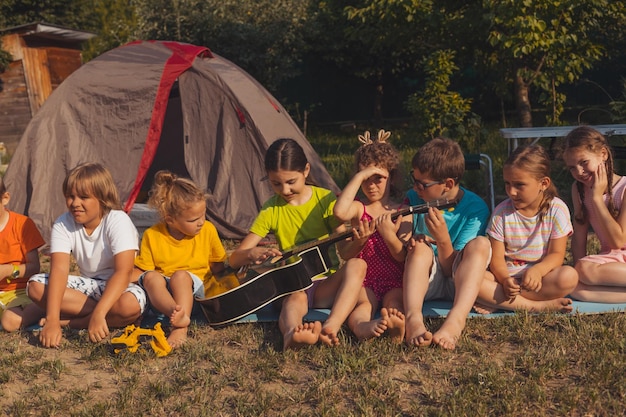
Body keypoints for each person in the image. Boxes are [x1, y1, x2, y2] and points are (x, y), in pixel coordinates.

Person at [229, 138, 367, 350]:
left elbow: (345, 252)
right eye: (276, 183)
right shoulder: (271, 209)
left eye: (291, 181)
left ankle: (331, 325)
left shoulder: (325, 199)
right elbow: (235, 258)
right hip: (294, 286)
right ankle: (292, 334)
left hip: (324, 285)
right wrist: (251, 253)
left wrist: (360, 241)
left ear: (306, 171)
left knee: (358, 265)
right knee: (294, 300)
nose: (284, 190)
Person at [27, 163, 147, 348]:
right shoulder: (63, 223)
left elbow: (124, 272)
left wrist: (99, 313)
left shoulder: (117, 220)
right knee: (35, 286)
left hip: (120, 287)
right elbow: (59, 269)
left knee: (131, 305)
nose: (75, 203)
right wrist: (52, 319)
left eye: (83, 197)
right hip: (89, 287)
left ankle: (74, 322)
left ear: (102, 198)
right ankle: (105, 318)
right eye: (70, 196)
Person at [403, 137, 491, 350]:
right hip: (423, 282)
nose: (415, 189)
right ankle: (413, 318)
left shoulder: (475, 209)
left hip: (459, 282)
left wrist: (443, 239)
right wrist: (408, 241)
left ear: (448, 184)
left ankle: (456, 319)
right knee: (420, 249)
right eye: (413, 180)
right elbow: (402, 240)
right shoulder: (414, 199)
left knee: (481, 244)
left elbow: (452, 270)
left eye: (422, 184)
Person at [475, 145, 578, 312]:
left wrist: (538, 270)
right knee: (469, 278)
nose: (511, 192)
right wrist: (505, 280)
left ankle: (497, 300)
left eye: (519, 185)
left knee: (569, 277)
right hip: (506, 277)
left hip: (542, 278)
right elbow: (497, 259)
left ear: (543, 183)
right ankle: (535, 306)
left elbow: (557, 254)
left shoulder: (557, 210)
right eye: (507, 184)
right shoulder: (501, 212)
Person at [333, 130, 412, 343]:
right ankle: (363, 327)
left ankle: (395, 324)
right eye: (366, 179)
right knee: (362, 305)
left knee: (394, 301)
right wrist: (358, 177)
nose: (371, 185)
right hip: (365, 279)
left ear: (392, 176)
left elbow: (401, 256)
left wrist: (388, 235)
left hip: (394, 277)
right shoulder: (359, 208)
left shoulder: (402, 211)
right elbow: (339, 212)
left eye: (378, 178)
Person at [133, 171, 227, 348]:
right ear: (170, 220)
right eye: (194, 219)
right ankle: (175, 313)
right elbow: (144, 271)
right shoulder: (152, 235)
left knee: (180, 276)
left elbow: (218, 268)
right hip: (162, 298)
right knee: (150, 277)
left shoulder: (208, 230)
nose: (201, 222)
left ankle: (179, 328)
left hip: (193, 292)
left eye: (203, 215)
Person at [562, 126, 626, 302]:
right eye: (572, 168)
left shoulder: (624, 188)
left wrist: (597, 199)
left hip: (620, 257)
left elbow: (619, 241)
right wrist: (578, 273)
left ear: (603, 154)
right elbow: (579, 236)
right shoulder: (579, 189)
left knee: (584, 268)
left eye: (583, 162)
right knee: (573, 285)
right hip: (612, 263)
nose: (579, 172)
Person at [0, 176, 46, 331]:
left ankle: (49, 307)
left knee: (9, 321)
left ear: (5, 198)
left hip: (19, 291)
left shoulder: (22, 224)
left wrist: (8, 270)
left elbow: (34, 267)